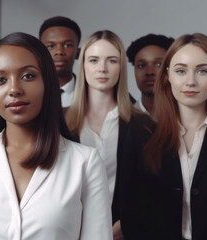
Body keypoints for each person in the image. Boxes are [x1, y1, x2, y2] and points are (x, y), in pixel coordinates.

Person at [0, 32, 113, 240]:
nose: (14, 89)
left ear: (47, 83)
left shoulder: (85, 163)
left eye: (28, 76)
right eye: (0, 79)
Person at [119, 33, 207, 240]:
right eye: (181, 71)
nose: (191, 81)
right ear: (167, 75)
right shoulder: (139, 135)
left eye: (202, 71)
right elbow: (131, 212)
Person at [64, 29, 153, 240]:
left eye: (111, 61)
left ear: (121, 67)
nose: (102, 68)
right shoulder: (58, 123)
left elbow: (152, 189)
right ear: (83, 65)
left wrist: (126, 225)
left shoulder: (144, 125)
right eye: (94, 60)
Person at [39, 16, 81, 108]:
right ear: (40, 52)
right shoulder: (30, 93)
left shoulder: (90, 94)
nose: (59, 52)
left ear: (78, 52)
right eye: (50, 46)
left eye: (67, 45)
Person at [126, 34, 174, 115]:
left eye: (159, 64)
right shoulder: (121, 120)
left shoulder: (188, 117)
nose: (149, 72)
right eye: (141, 65)